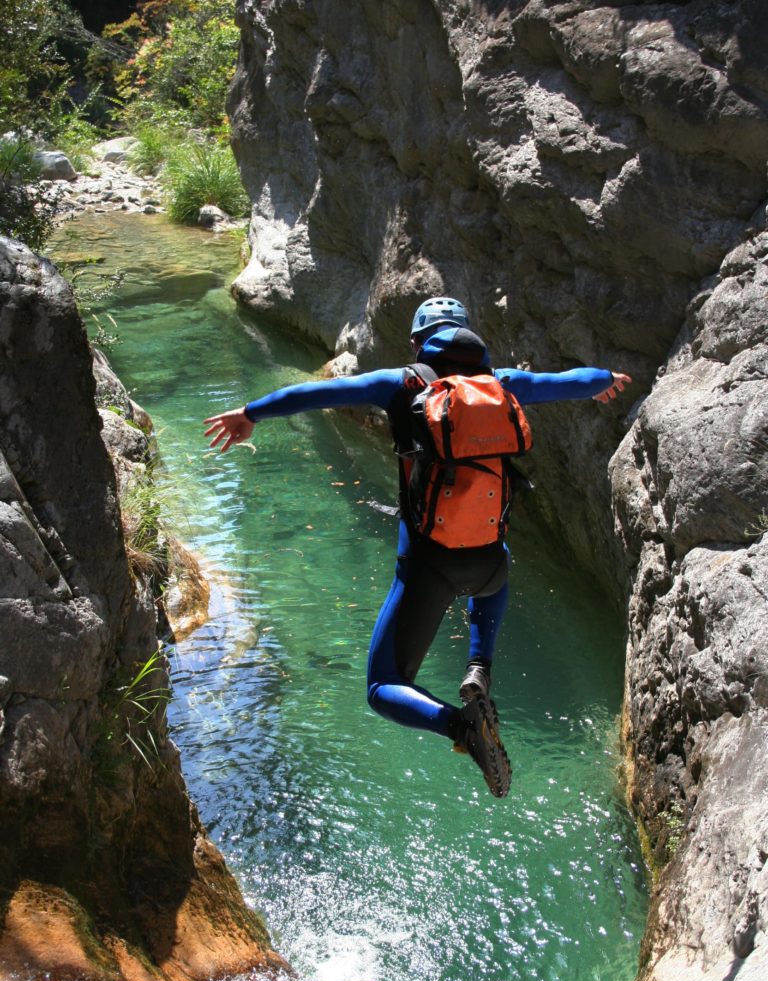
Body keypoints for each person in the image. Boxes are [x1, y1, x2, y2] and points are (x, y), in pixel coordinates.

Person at [204, 297, 631, 799]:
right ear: (470, 339)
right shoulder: (503, 385)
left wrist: (251, 412)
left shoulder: (401, 384)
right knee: (498, 562)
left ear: (417, 342)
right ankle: (480, 668)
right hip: (491, 566)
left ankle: (459, 727)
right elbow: (568, 382)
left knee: (382, 686)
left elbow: (316, 394)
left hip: (429, 569)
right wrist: (606, 379)